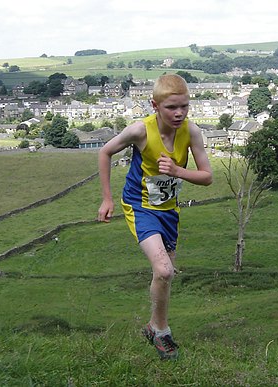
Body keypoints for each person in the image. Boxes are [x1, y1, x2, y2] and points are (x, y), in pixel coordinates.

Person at [97, 74, 212, 360]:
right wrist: (107, 198)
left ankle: (152, 327)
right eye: (172, 107)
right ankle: (162, 333)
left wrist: (178, 171)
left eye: (184, 106)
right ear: (155, 105)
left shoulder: (192, 132)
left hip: (168, 211)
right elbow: (105, 151)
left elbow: (207, 176)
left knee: (165, 276)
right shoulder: (140, 131)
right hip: (139, 206)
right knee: (164, 270)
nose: (179, 113)